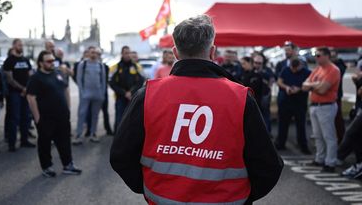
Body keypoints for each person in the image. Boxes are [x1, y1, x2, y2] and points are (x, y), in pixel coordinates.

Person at [110, 15, 283, 205]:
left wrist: (147, 187)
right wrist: (243, 197)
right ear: (212, 52)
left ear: (175, 53)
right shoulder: (240, 98)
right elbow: (269, 166)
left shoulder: (148, 95)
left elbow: (120, 155)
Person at [26, 50, 82, 177]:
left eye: (53, 60)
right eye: (49, 61)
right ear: (40, 63)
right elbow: (31, 97)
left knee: (64, 141)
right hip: (45, 118)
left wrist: (68, 109)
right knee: (45, 143)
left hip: (62, 116)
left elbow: (66, 89)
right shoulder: (36, 78)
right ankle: (47, 167)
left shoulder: (58, 73)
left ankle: (68, 165)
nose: (52, 63)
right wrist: (37, 117)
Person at [303, 47, 341, 172]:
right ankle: (320, 159)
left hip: (326, 106)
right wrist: (316, 85)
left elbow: (323, 90)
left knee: (328, 136)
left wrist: (312, 86)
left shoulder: (333, 70)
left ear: (327, 56)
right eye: (315, 55)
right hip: (315, 105)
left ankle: (330, 162)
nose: (316, 57)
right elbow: (304, 85)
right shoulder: (318, 69)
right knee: (318, 136)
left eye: (318, 55)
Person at [3, 38, 35, 152]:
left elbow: (31, 75)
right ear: (13, 46)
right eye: (19, 45)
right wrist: (22, 88)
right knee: (14, 118)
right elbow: (9, 79)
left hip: (26, 93)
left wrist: (27, 89)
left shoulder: (26, 60)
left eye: (22, 45)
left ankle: (24, 141)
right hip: (14, 94)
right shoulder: (9, 61)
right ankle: (12, 143)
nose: (21, 47)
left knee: (26, 117)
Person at [275, 58, 311, 154]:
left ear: (300, 65)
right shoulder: (285, 70)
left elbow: (309, 85)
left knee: (301, 125)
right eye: (292, 68)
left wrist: (299, 89)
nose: (294, 70)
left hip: (300, 102)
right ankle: (280, 143)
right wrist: (287, 87)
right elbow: (279, 81)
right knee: (283, 124)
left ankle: (303, 145)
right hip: (286, 101)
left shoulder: (307, 72)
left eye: (296, 68)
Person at [73, 47, 106, 144]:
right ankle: (78, 135)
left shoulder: (100, 65)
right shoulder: (83, 64)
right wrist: (82, 93)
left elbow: (103, 80)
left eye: (96, 53)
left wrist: (102, 93)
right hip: (85, 94)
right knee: (82, 114)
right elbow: (79, 79)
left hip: (98, 94)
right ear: (88, 53)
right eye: (92, 52)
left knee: (95, 115)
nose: (94, 54)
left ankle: (93, 133)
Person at [109, 46, 144, 133]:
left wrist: (131, 92)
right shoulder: (115, 67)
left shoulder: (137, 67)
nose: (128, 55)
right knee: (119, 119)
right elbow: (111, 83)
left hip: (133, 97)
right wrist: (124, 93)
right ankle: (117, 138)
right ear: (122, 54)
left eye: (129, 53)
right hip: (120, 97)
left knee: (132, 119)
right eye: (126, 53)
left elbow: (141, 81)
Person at [253, 54, 275, 134]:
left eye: (259, 63)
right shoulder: (252, 70)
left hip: (264, 96)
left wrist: (268, 84)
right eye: (256, 62)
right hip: (254, 97)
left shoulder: (267, 70)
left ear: (263, 63)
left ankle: (267, 134)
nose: (257, 65)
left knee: (265, 115)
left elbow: (272, 80)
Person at [330, 48, 347, 144]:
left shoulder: (339, 65)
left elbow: (341, 72)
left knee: (338, 118)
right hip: (330, 95)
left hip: (336, 95)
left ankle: (341, 138)